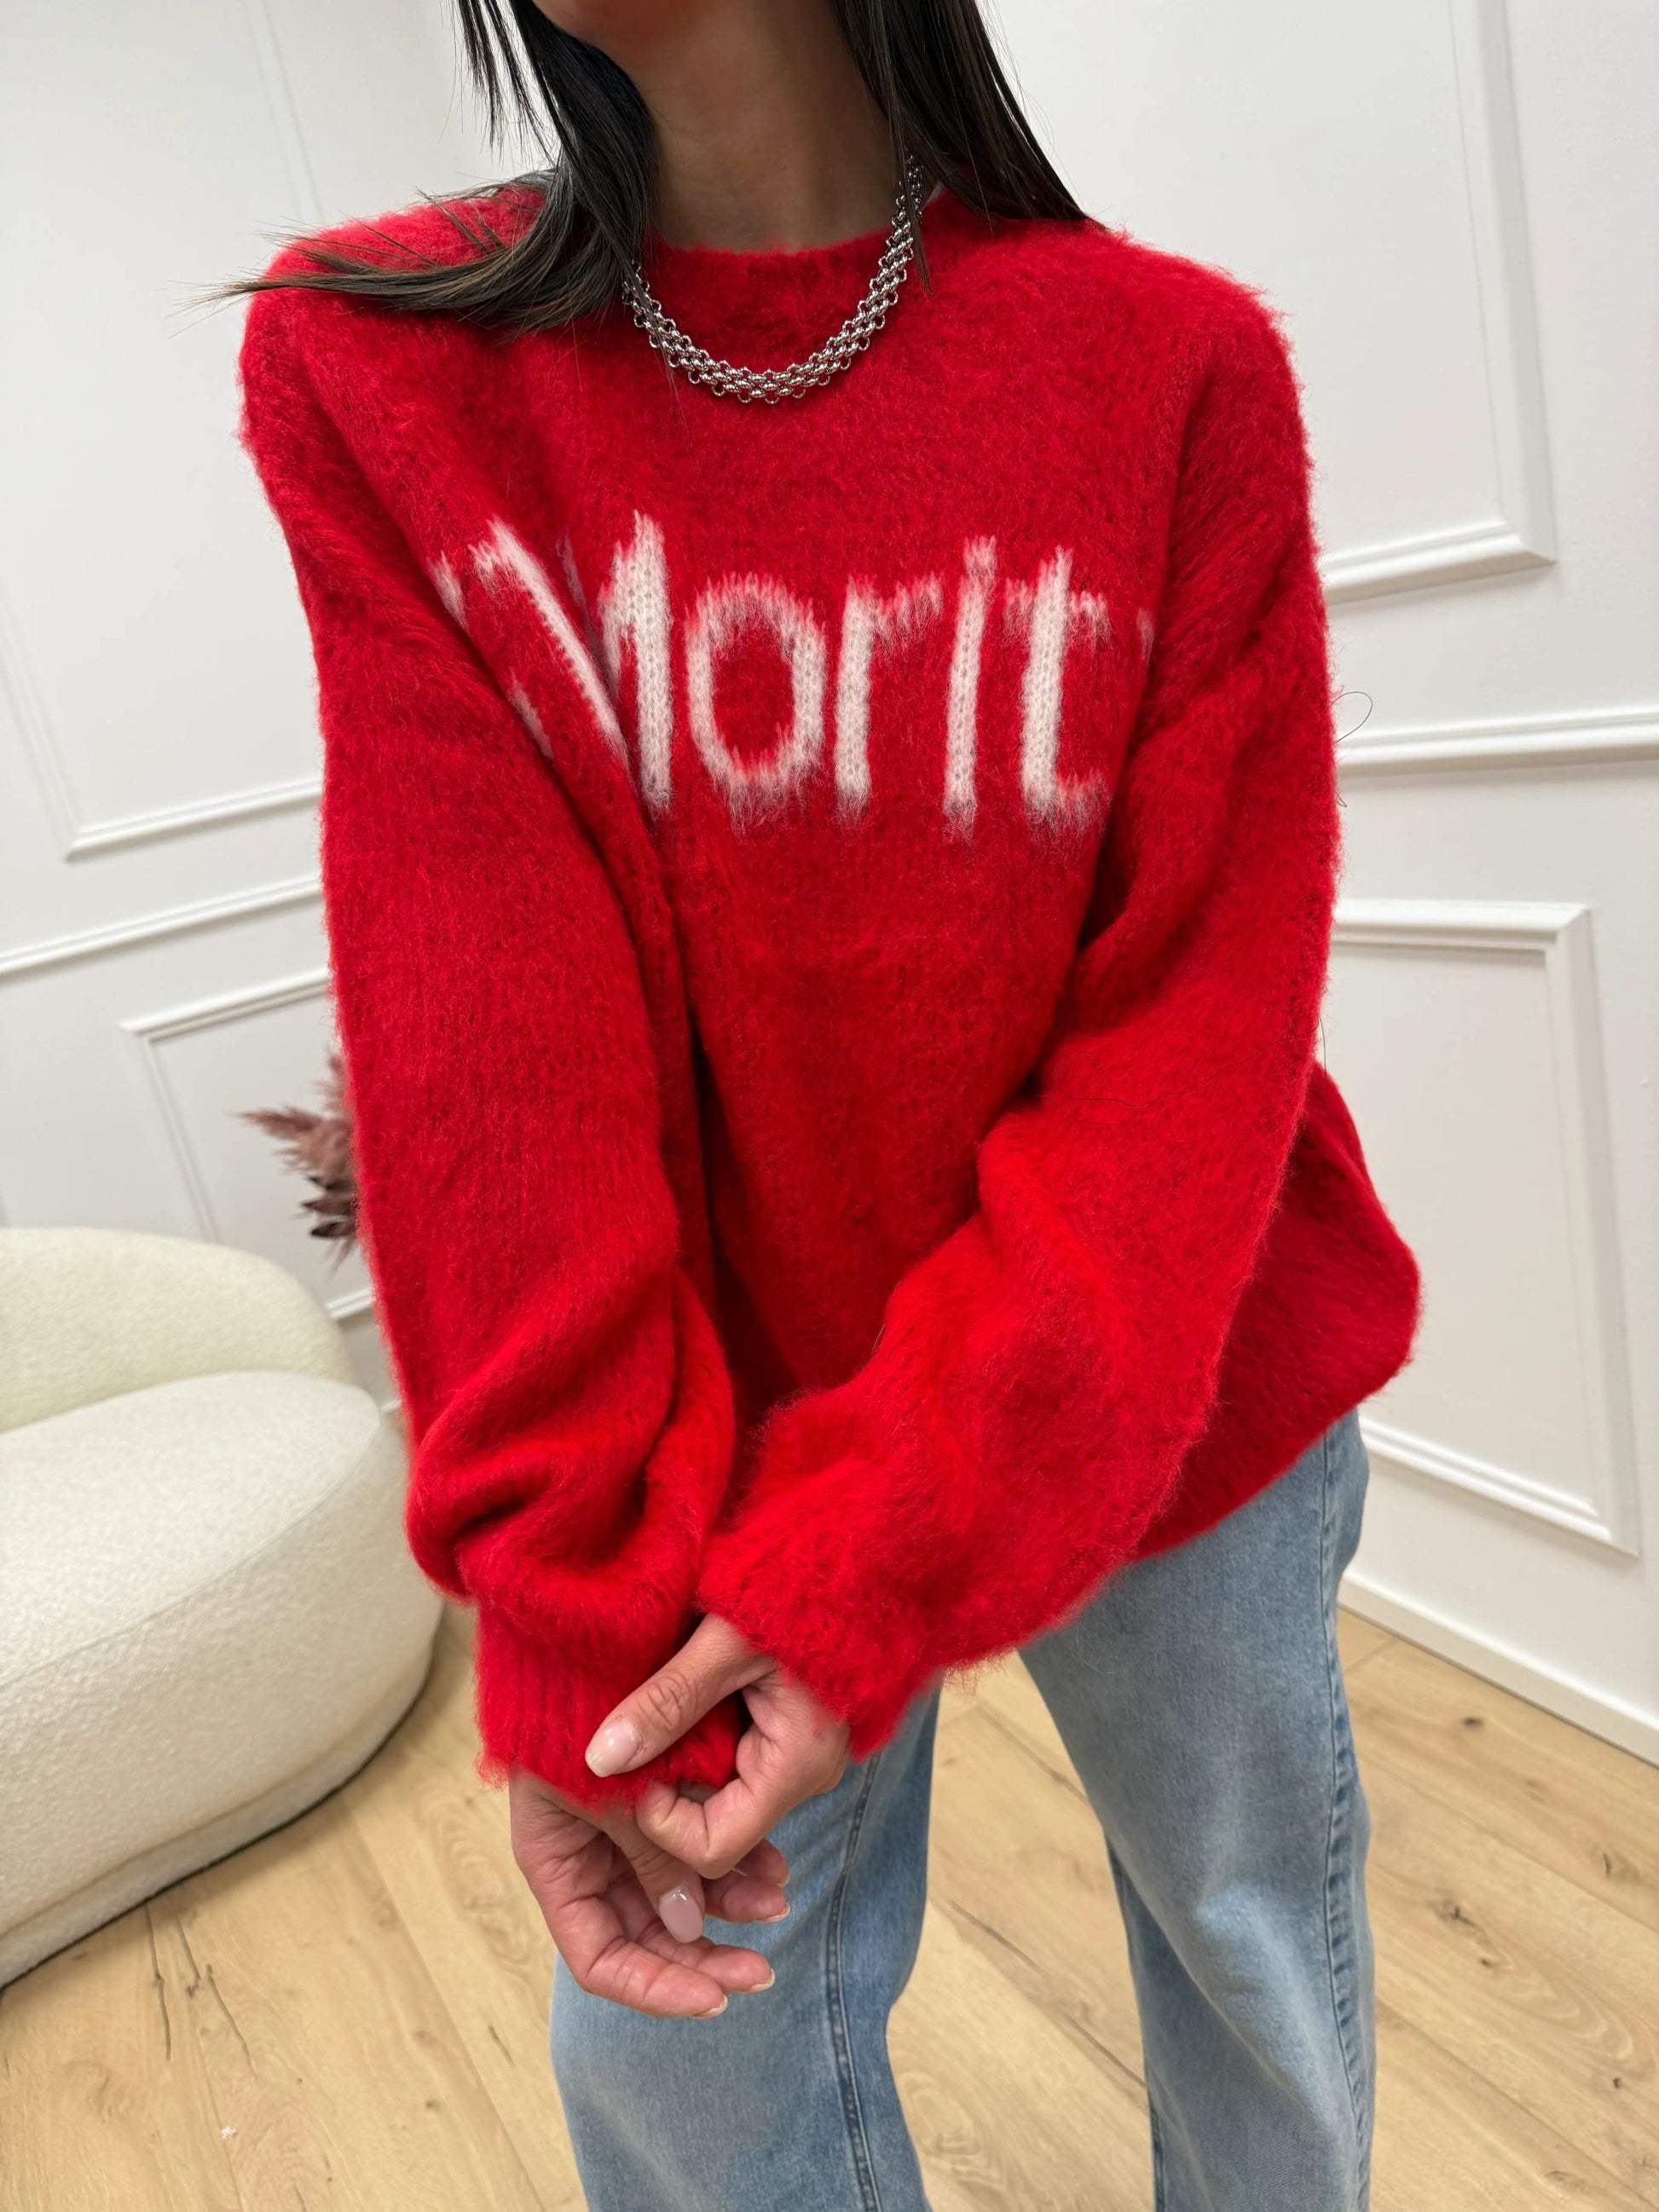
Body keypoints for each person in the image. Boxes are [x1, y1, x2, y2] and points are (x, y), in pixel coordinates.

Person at [233, 2, 1420, 2204]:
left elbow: (1190, 1030)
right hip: (720, 1429)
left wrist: (893, 1530)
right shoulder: (384, 372)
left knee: (1247, 1935)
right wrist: (573, 1598)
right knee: (683, 2067)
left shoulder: (1170, 371)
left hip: (1175, 1369)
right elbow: (487, 1041)